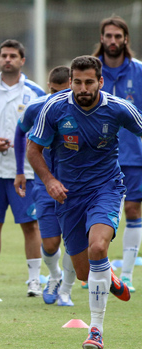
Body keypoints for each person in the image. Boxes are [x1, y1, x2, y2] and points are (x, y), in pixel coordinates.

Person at [27, 55, 136, 349]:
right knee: (87, 273)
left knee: (98, 248)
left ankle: (96, 331)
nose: (83, 88)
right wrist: (49, 180)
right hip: (68, 196)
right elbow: (33, 149)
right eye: (77, 82)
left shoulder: (119, 109)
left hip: (106, 188)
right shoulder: (54, 108)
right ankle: (108, 276)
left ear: (101, 82)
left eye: (89, 82)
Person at [0, 39, 46, 297]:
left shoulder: (36, 94)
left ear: (22, 60)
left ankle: (34, 281)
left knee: (30, 224)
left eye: (13, 55)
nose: (8, 59)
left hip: (26, 171)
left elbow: (45, 130)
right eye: (4, 55)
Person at [14, 66, 76, 306]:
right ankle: (54, 276)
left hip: (75, 185)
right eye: (53, 91)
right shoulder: (37, 107)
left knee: (72, 240)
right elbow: (20, 133)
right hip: (43, 184)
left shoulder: (81, 111)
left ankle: (66, 290)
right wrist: (20, 170)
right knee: (49, 243)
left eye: (63, 92)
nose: (57, 97)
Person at [93, 16, 142, 292]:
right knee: (96, 210)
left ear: (126, 40)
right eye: (108, 36)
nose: (113, 41)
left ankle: (127, 275)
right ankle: (100, 268)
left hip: (133, 154)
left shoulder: (139, 72)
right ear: (101, 38)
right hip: (95, 156)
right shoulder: (91, 70)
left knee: (133, 208)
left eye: (118, 36)